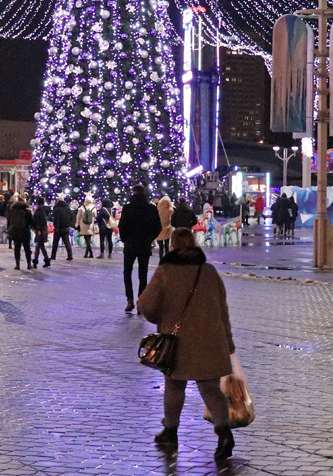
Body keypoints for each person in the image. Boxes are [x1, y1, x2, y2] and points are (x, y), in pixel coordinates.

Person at [138, 228, 237, 460]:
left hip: (177, 343)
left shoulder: (165, 271)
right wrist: (228, 343)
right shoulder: (209, 271)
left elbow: (145, 304)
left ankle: (170, 431)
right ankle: (224, 435)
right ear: (193, 244)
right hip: (211, 340)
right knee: (210, 389)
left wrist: (161, 319)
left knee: (174, 386)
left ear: (172, 246)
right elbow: (223, 311)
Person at [119, 184, 164, 314]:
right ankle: (140, 301)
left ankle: (129, 300)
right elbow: (158, 227)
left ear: (133, 193)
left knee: (127, 272)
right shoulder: (151, 208)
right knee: (142, 274)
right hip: (144, 245)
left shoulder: (127, 208)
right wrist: (150, 238)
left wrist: (125, 239)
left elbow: (122, 226)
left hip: (130, 244)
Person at [8, 194, 34, 269]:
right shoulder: (28, 212)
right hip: (25, 232)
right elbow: (31, 222)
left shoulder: (13, 212)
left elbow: (9, 222)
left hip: (16, 232)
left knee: (17, 248)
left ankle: (17, 265)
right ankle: (29, 264)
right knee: (27, 249)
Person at [51, 196, 75, 261]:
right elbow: (71, 217)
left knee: (55, 243)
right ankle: (70, 256)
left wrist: (56, 227)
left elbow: (56, 219)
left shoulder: (57, 209)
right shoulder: (67, 208)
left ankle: (53, 256)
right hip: (66, 227)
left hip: (59, 228)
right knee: (67, 242)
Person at [32, 197, 52, 267]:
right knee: (41, 246)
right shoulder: (43, 210)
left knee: (38, 246)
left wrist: (38, 230)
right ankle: (46, 260)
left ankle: (36, 262)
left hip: (40, 231)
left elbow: (39, 221)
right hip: (42, 230)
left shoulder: (39, 211)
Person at [79, 195, 98, 259]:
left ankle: (90, 253)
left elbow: (79, 216)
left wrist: (77, 223)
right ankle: (87, 253)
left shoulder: (82, 207)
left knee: (87, 240)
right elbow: (95, 216)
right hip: (90, 224)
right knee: (88, 239)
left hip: (84, 225)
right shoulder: (94, 208)